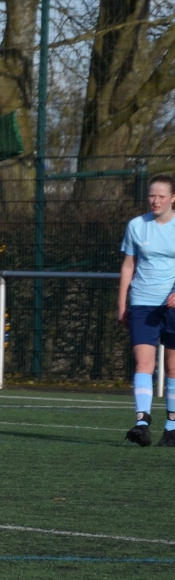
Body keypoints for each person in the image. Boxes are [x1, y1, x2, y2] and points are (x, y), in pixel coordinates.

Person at [117, 174, 175, 446]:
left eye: (162, 196)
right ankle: (142, 424)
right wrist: (122, 304)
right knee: (143, 363)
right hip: (142, 302)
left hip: (172, 305)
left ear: (173, 198)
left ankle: (172, 427)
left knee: (173, 366)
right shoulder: (136, 226)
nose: (156, 200)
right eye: (152, 195)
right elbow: (129, 265)